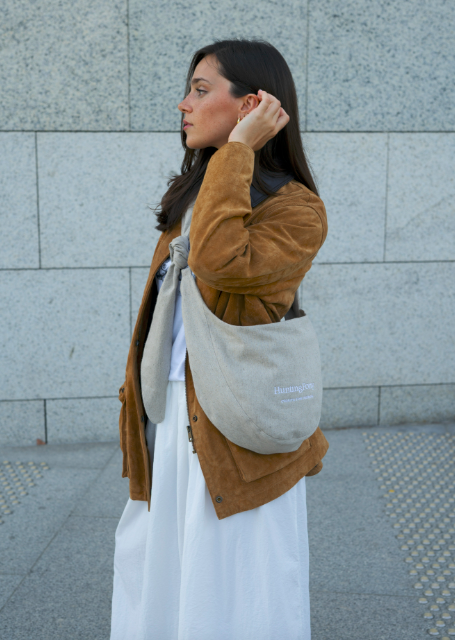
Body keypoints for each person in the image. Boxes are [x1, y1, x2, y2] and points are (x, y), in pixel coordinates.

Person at [110, 38, 329, 640]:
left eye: (201, 90)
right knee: (161, 573)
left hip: (238, 425)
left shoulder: (298, 210)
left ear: (251, 105)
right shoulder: (197, 193)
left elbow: (218, 259)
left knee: (235, 583)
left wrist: (238, 151)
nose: (184, 104)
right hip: (172, 417)